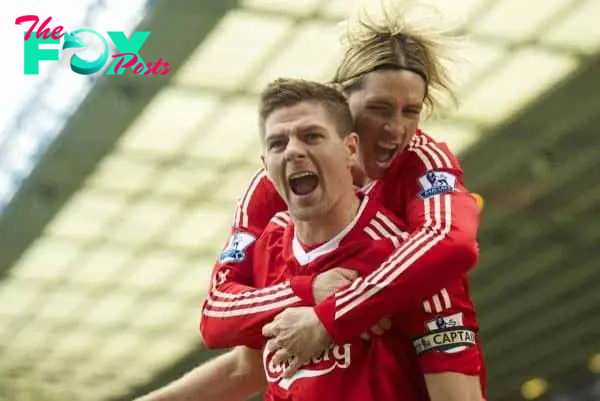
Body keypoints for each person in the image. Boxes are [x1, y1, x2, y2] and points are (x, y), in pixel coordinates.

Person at [137, 79, 484, 401]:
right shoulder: (268, 246)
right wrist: (309, 290)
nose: (292, 152)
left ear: (351, 149)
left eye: (312, 136)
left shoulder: (407, 260)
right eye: (277, 143)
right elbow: (244, 365)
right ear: (265, 163)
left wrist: (333, 315)